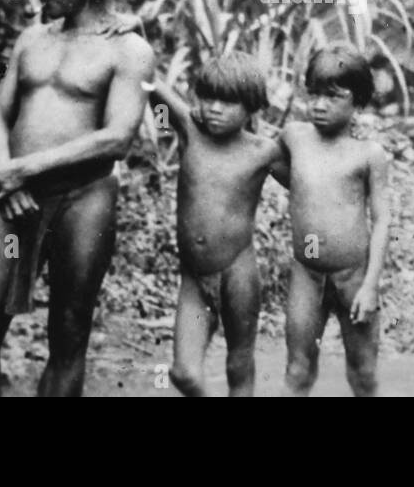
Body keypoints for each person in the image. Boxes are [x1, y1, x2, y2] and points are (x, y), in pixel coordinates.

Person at [0, 0, 153, 397]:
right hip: (16, 201)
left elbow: (117, 138)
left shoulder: (128, 49)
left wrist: (27, 168)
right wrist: (7, 175)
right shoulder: (30, 40)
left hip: (83, 202)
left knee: (67, 333)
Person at [148, 54, 282, 397]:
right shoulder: (189, 130)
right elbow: (147, 80)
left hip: (239, 273)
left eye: (227, 102)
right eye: (208, 98)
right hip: (195, 279)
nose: (214, 109)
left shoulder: (264, 150)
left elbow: (308, 183)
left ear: (251, 106)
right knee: (184, 373)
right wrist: (132, 31)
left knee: (239, 364)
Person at [279, 44, 391, 397]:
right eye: (314, 95)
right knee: (297, 370)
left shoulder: (369, 155)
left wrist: (371, 284)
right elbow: (271, 165)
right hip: (306, 275)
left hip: (353, 277)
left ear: (357, 102)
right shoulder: (294, 138)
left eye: (333, 96)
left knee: (362, 374)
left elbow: (383, 220)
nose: (320, 105)